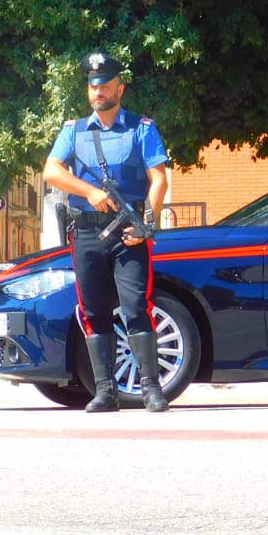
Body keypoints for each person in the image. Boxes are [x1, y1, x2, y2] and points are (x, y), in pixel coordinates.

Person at [41, 51, 171, 413]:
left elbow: (158, 179)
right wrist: (89, 192)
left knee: (135, 307)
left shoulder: (141, 128)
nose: (98, 91)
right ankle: (105, 391)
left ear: (120, 88)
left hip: (128, 232)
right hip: (85, 233)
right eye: (93, 86)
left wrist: (146, 224)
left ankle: (150, 389)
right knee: (94, 310)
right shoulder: (73, 132)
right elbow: (51, 171)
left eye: (105, 85)